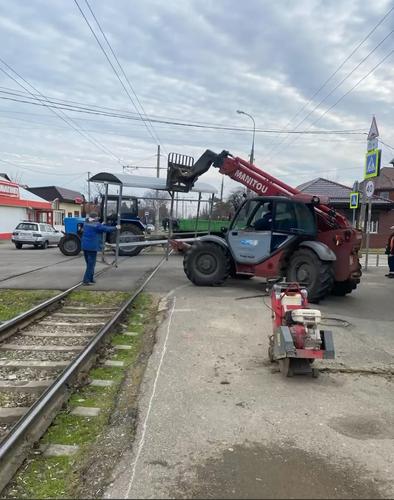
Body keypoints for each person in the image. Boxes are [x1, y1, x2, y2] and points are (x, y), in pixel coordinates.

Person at [81, 212, 119, 285]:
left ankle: (91, 279)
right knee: (91, 265)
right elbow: (106, 229)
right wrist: (116, 227)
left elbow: (97, 227)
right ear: (95, 218)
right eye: (97, 218)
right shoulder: (96, 225)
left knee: (89, 264)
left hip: (85, 246)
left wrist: (101, 224)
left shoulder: (85, 223)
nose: (97, 219)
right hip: (92, 247)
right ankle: (86, 281)